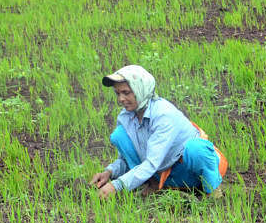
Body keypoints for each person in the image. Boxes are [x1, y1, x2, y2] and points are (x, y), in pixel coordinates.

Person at [89, 65, 227, 199]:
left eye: (126, 92)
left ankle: (212, 190)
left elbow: (152, 163)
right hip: (163, 175)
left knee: (196, 149)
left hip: (188, 171)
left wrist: (117, 186)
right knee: (118, 135)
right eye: (118, 93)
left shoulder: (163, 114)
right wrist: (109, 172)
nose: (121, 99)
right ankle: (154, 184)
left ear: (140, 89)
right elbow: (126, 159)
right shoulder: (126, 117)